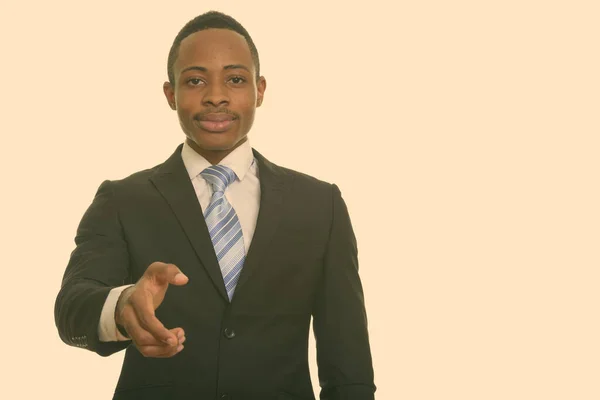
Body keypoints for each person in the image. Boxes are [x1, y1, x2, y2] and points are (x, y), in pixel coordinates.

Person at [54, 10, 375, 400]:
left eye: (236, 79)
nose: (216, 95)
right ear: (171, 95)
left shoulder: (320, 205)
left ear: (260, 89)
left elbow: (349, 362)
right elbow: (72, 306)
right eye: (195, 81)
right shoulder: (122, 199)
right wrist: (122, 307)